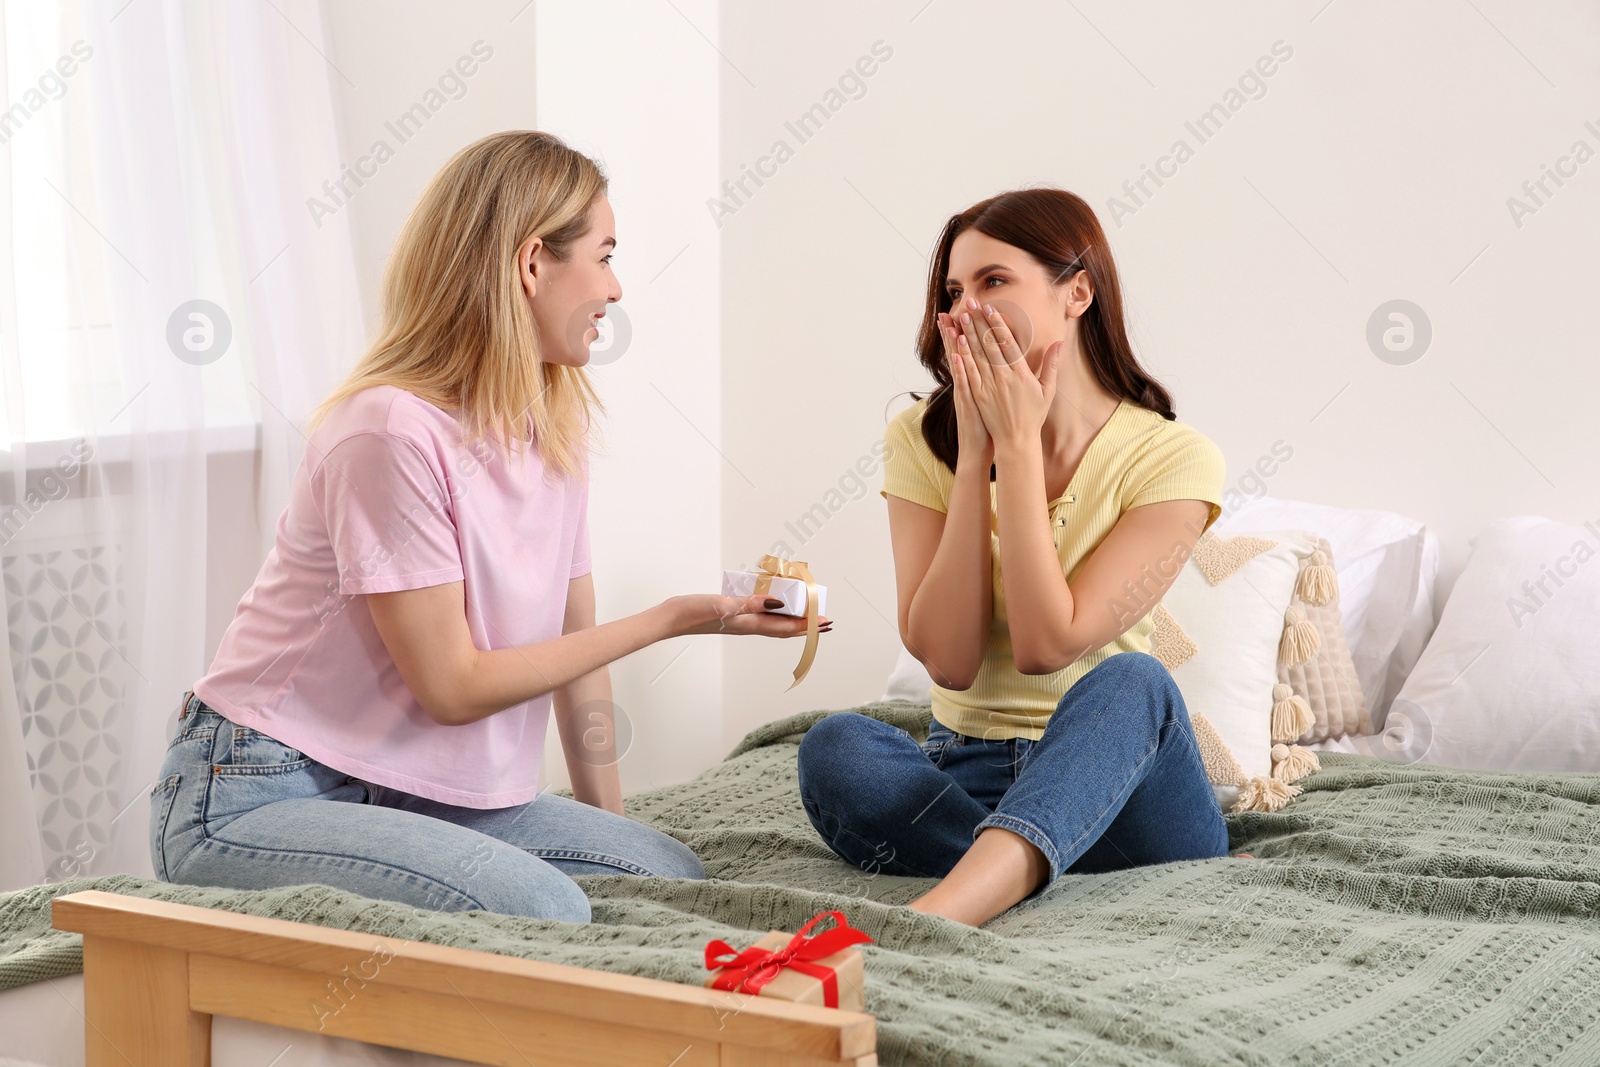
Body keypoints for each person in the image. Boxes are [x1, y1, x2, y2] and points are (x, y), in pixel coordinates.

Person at [150, 131, 827, 923]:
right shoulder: (389, 434)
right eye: (605, 256)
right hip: (252, 789)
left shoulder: (551, 433)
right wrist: (676, 617)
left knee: (666, 872)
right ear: (534, 261)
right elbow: (453, 685)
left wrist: (607, 823)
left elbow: (578, 660)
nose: (616, 288)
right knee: (542, 905)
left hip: (403, 790)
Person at [796, 187, 1228, 926]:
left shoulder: (1173, 457)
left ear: (1078, 292)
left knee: (1137, 680)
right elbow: (950, 661)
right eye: (954, 291)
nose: (965, 310)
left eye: (994, 281)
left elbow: (1045, 643)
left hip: (1124, 792)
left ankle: (948, 906)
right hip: (967, 772)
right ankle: (1029, 864)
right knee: (837, 747)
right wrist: (974, 457)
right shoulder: (919, 438)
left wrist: (1020, 448)